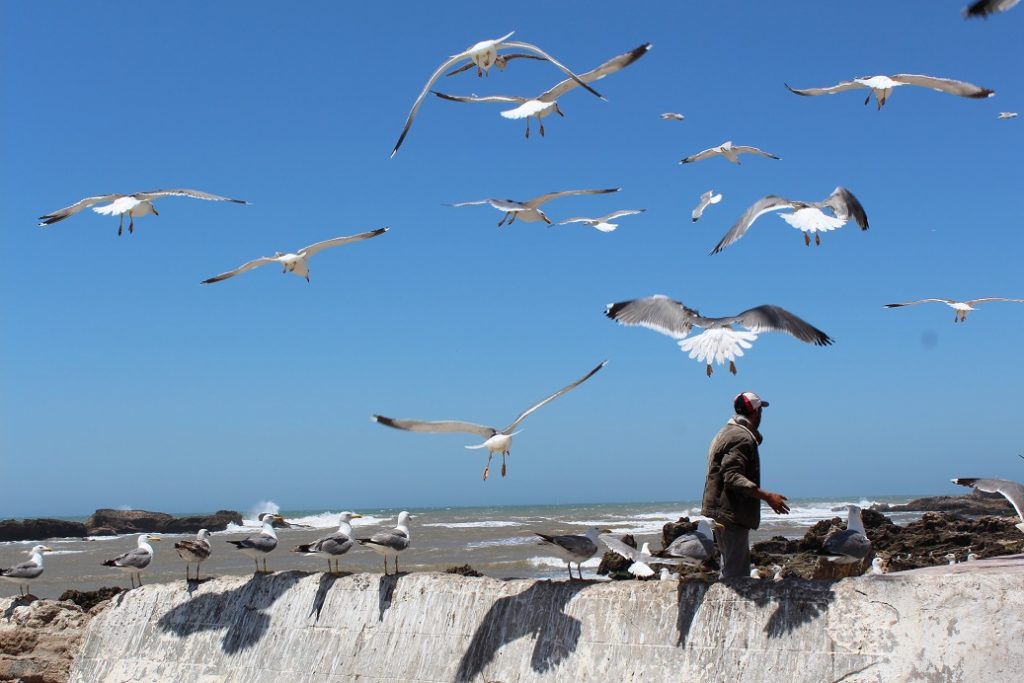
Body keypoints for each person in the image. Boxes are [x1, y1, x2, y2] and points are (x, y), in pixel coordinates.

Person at [701, 391, 790, 579]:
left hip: (717, 510)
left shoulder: (725, 432)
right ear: (756, 412)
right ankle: (731, 606)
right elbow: (732, 477)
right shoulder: (742, 437)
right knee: (737, 575)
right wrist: (767, 496)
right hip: (730, 514)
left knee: (728, 568)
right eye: (760, 412)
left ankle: (725, 601)